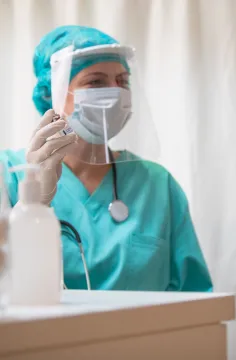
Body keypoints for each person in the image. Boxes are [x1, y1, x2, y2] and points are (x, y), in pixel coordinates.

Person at [0, 25, 212, 292]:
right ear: (51, 93)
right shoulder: (8, 173)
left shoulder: (157, 184)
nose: (115, 92)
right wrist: (34, 203)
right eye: (96, 82)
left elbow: (194, 300)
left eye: (123, 81)